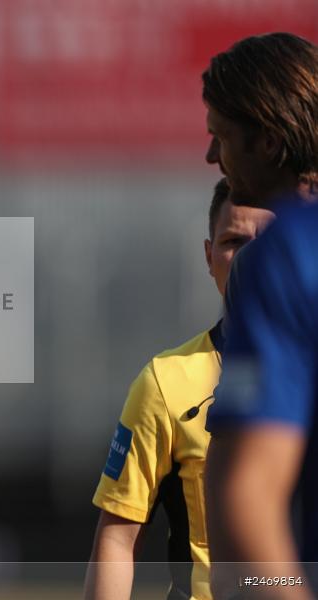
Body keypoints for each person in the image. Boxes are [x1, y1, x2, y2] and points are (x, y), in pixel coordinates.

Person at [82, 179, 274, 600]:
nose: (250, 258)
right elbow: (117, 538)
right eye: (233, 241)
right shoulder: (166, 380)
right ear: (209, 257)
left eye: (268, 239)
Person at [200, 32, 318, 599]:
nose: (210, 158)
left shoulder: (284, 257)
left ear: (268, 142)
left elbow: (246, 492)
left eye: (219, 137)